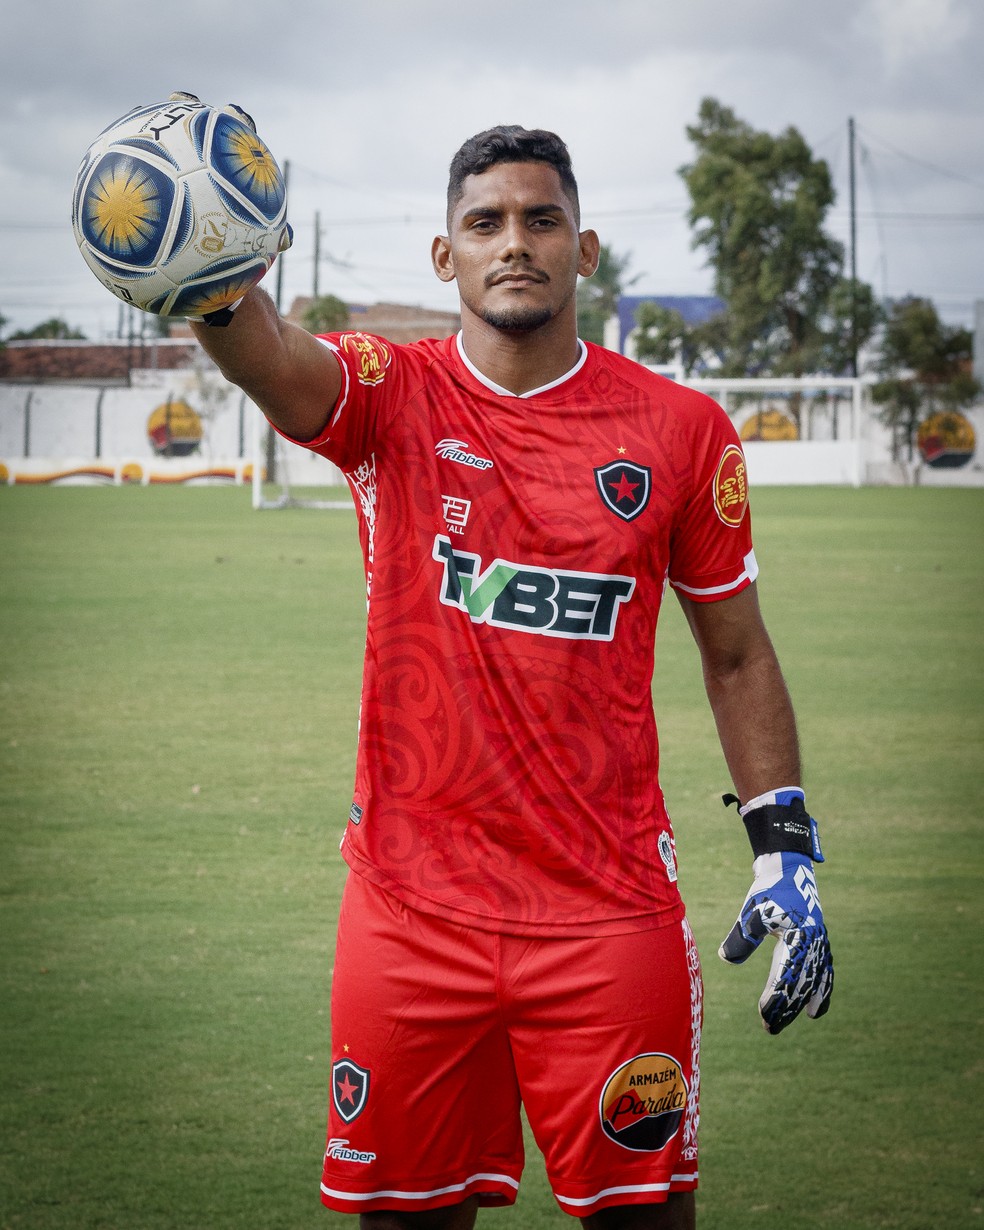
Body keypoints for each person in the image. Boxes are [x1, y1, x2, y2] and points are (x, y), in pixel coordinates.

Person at [190, 123, 833, 1230]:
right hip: (410, 910)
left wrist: (787, 846)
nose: (514, 243)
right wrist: (210, 292)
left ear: (585, 251)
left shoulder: (683, 432)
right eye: (484, 223)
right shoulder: (392, 393)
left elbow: (735, 651)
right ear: (447, 257)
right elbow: (276, 366)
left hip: (608, 916)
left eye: (541, 220)